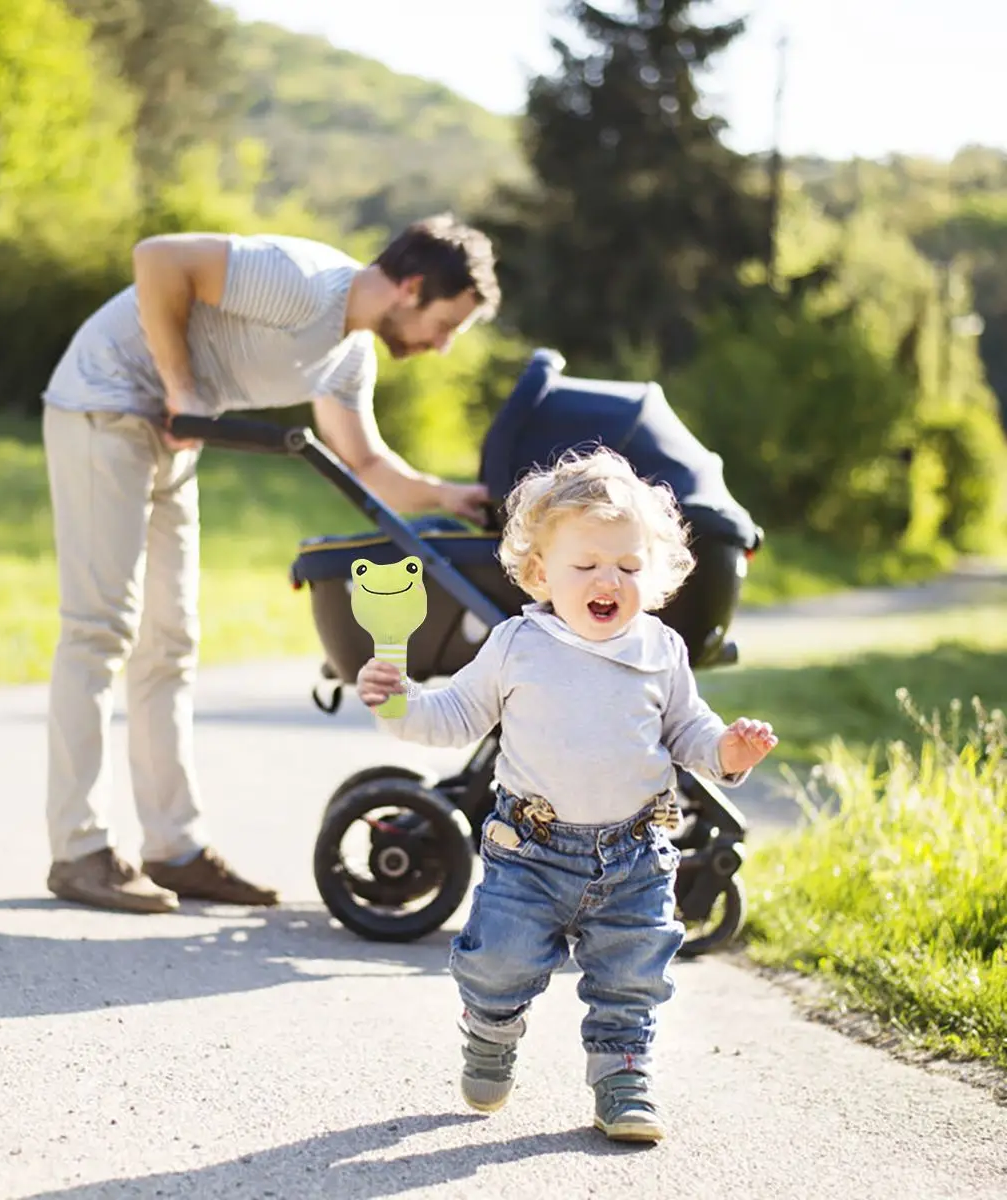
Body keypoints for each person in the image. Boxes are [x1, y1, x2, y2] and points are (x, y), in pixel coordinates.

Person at [41, 213, 500, 914]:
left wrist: (450, 496)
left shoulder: (348, 355)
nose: (441, 346)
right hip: (104, 405)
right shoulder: (306, 283)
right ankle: (79, 852)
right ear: (411, 288)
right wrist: (183, 388)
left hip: (170, 436)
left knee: (171, 641)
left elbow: (367, 463)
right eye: (446, 325)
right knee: (99, 630)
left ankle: (175, 850)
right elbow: (159, 258)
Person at [355, 447, 777, 1143]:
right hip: (531, 851)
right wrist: (399, 704)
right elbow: (453, 717)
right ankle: (491, 1029)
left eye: (629, 567)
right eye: (586, 566)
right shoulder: (517, 645)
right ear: (540, 572)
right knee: (499, 962)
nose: (608, 580)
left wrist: (729, 751)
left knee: (631, 978)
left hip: (636, 855)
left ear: (657, 575)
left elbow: (690, 732)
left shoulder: (661, 650)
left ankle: (624, 1080)